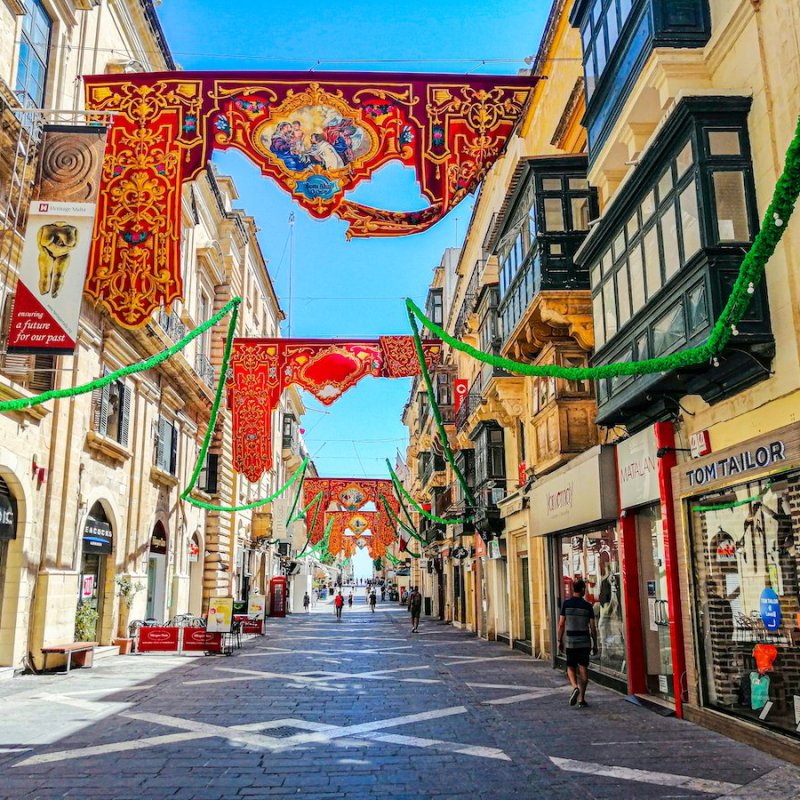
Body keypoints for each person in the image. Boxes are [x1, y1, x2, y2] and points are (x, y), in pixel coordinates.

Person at [557, 578, 598, 708]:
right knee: (583, 668)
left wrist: (559, 640)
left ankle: (575, 687)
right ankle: (582, 699)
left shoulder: (566, 604)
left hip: (571, 641)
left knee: (570, 667)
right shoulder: (588, 606)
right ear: (582, 590)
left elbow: (561, 624)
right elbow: (593, 627)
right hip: (584, 642)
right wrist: (595, 643)